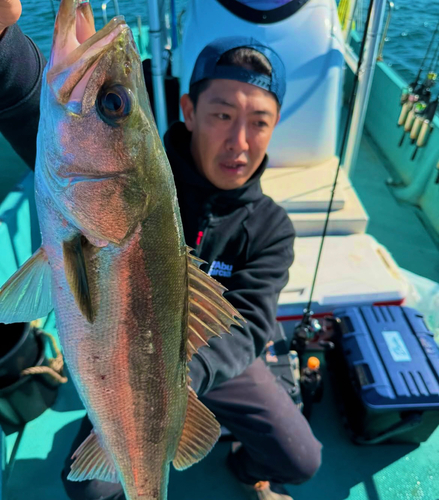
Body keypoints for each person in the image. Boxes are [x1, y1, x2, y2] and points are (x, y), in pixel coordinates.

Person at [0, 3, 322, 499]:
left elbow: (251, 326)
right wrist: (2, 42)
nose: (239, 140)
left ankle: (243, 463)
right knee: (88, 490)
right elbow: (30, 111)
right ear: (189, 111)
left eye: (259, 122)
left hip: (202, 364)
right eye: (222, 114)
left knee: (301, 459)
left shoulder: (272, 227)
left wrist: (177, 381)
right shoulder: (144, 166)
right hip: (123, 364)